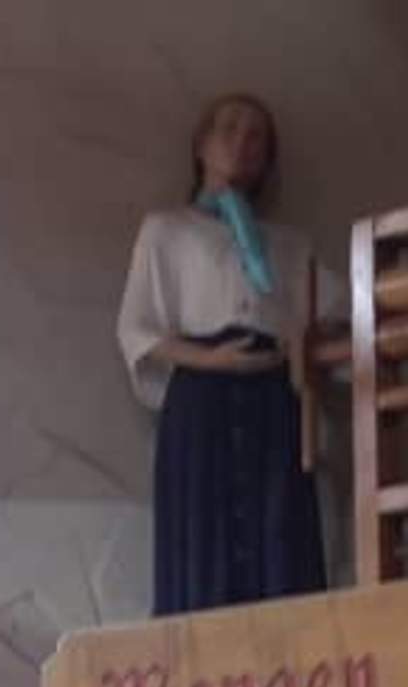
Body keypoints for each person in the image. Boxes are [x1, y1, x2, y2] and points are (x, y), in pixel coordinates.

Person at [117, 93, 328, 616]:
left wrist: (299, 348)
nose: (242, 142)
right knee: (202, 538)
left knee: (279, 537)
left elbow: (334, 309)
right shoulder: (167, 230)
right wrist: (212, 360)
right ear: (202, 145)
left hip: (274, 400)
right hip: (202, 399)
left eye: (257, 136)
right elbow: (137, 328)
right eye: (230, 128)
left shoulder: (290, 245)